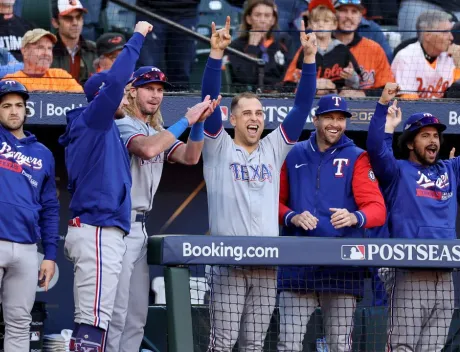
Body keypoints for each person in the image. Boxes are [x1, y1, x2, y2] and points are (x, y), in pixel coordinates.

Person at [202, 16, 317, 350]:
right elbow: (209, 102)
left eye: (259, 113)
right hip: (228, 263)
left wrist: (309, 59)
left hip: (267, 264)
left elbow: (302, 106)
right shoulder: (218, 145)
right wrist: (214, 55)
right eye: (247, 113)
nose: (255, 118)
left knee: (254, 345)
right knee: (222, 343)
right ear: (232, 118)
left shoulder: (273, 148)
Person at [104, 67, 219, 352]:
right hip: (118, 225)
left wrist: (198, 124)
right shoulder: (123, 123)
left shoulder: (156, 130)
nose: (155, 95)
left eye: (159, 89)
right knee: (116, 315)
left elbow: (190, 157)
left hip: (141, 228)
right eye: (148, 88)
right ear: (132, 91)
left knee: (136, 318)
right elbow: (147, 149)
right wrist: (185, 119)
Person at [58, 21, 153, 352]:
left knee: (97, 318)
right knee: (94, 320)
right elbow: (114, 83)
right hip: (98, 230)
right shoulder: (94, 120)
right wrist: (137, 35)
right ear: (102, 96)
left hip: (102, 230)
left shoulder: (105, 128)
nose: (126, 98)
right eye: (121, 93)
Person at [277, 94, 386, 352]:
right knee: (288, 344)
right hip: (298, 262)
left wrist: (354, 217)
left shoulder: (357, 157)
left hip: (341, 265)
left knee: (339, 345)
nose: (335, 123)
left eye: (341, 118)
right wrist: (291, 216)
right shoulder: (293, 153)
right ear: (316, 119)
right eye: (329, 117)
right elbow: (273, 203)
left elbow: (377, 209)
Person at [366, 82, 460, 352]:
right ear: (411, 143)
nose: (433, 140)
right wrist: (384, 113)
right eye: (425, 135)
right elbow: (377, 149)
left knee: (432, 350)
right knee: (402, 348)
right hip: (409, 273)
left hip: (445, 278)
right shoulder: (397, 172)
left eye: (436, 135)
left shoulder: (451, 170)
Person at [0, 79, 59, 350]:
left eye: (19, 106)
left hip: (26, 248)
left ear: (26, 110)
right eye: (6, 106)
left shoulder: (43, 154)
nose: (14, 111)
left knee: (20, 322)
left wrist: (49, 255)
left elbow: (50, 208)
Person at [283, 0, 361, 96]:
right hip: (312, 99)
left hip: (337, 99)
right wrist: (314, 84)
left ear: (334, 24)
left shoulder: (343, 50)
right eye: (316, 21)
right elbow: (292, 83)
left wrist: (351, 77)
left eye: (326, 21)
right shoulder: (305, 50)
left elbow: (358, 83)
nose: (321, 24)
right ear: (310, 25)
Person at [392, 10, 460, 99]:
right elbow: (409, 103)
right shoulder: (406, 57)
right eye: (445, 32)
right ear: (428, 35)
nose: (451, 37)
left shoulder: (452, 56)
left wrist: (459, 65)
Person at [228, 0, 292, 91]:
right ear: (249, 19)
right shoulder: (236, 45)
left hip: (279, 97)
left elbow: (289, 77)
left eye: (267, 16)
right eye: (258, 15)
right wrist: (252, 47)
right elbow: (245, 78)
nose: (262, 20)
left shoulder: (284, 43)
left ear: (273, 20)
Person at [333, 0, 394, 96]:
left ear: (360, 17)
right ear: (334, 15)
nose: (349, 16)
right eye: (344, 11)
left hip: (366, 109)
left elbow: (389, 89)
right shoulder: (319, 48)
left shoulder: (374, 49)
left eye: (354, 12)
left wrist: (363, 94)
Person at [2, 28, 83, 92]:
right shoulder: (11, 81)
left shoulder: (61, 76)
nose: (46, 53)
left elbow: (81, 103)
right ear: (24, 51)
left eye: (49, 48)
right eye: (40, 47)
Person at [51, 0, 97, 85]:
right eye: (68, 18)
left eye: (79, 17)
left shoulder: (94, 50)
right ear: (55, 23)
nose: (75, 23)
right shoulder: (47, 52)